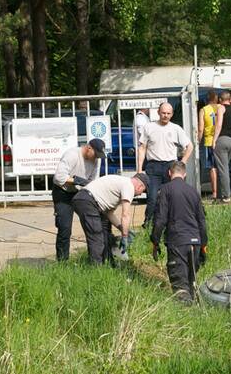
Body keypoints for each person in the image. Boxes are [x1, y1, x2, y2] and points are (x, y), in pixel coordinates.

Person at [150, 161, 208, 303]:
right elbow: (202, 220)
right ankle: (195, 312)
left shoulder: (165, 190)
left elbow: (160, 219)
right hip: (195, 241)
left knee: (180, 284)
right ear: (185, 173)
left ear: (169, 173)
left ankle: (185, 315)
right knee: (192, 281)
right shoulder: (193, 191)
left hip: (177, 242)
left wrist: (155, 241)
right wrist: (204, 245)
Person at [136, 102, 192, 227]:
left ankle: (172, 223)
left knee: (172, 197)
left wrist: (182, 162)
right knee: (152, 198)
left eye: (168, 113)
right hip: (153, 166)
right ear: (158, 113)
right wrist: (139, 169)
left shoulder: (176, 128)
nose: (165, 116)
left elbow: (189, 146)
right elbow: (142, 148)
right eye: (163, 113)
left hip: (170, 166)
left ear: (172, 114)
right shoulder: (149, 127)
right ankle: (149, 224)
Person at [72, 173, 148, 265]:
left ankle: (107, 263)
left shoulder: (121, 184)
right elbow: (125, 214)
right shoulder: (129, 186)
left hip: (87, 200)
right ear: (140, 186)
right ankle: (96, 269)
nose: (140, 194)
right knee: (96, 237)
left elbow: (109, 214)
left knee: (105, 235)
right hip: (88, 201)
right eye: (142, 191)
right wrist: (124, 236)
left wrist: (122, 228)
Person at [51, 138, 106, 261]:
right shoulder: (72, 155)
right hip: (63, 192)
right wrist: (77, 180)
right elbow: (58, 178)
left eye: (99, 156)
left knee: (92, 224)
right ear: (88, 148)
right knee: (64, 228)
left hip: (80, 192)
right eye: (95, 154)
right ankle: (62, 262)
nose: (96, 158)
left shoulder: (96, 160)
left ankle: (95, 259)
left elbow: (93, 181)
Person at [198, 92, 219, 200]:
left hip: (209, 141)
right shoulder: (221, 107)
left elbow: (201, 128)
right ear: (216, 98)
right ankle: (225, 190)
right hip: (221, 139)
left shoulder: (204, 110)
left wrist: (198, 140)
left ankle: (215, 192)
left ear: (207, 99)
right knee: (223, 166)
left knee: (213, 168)